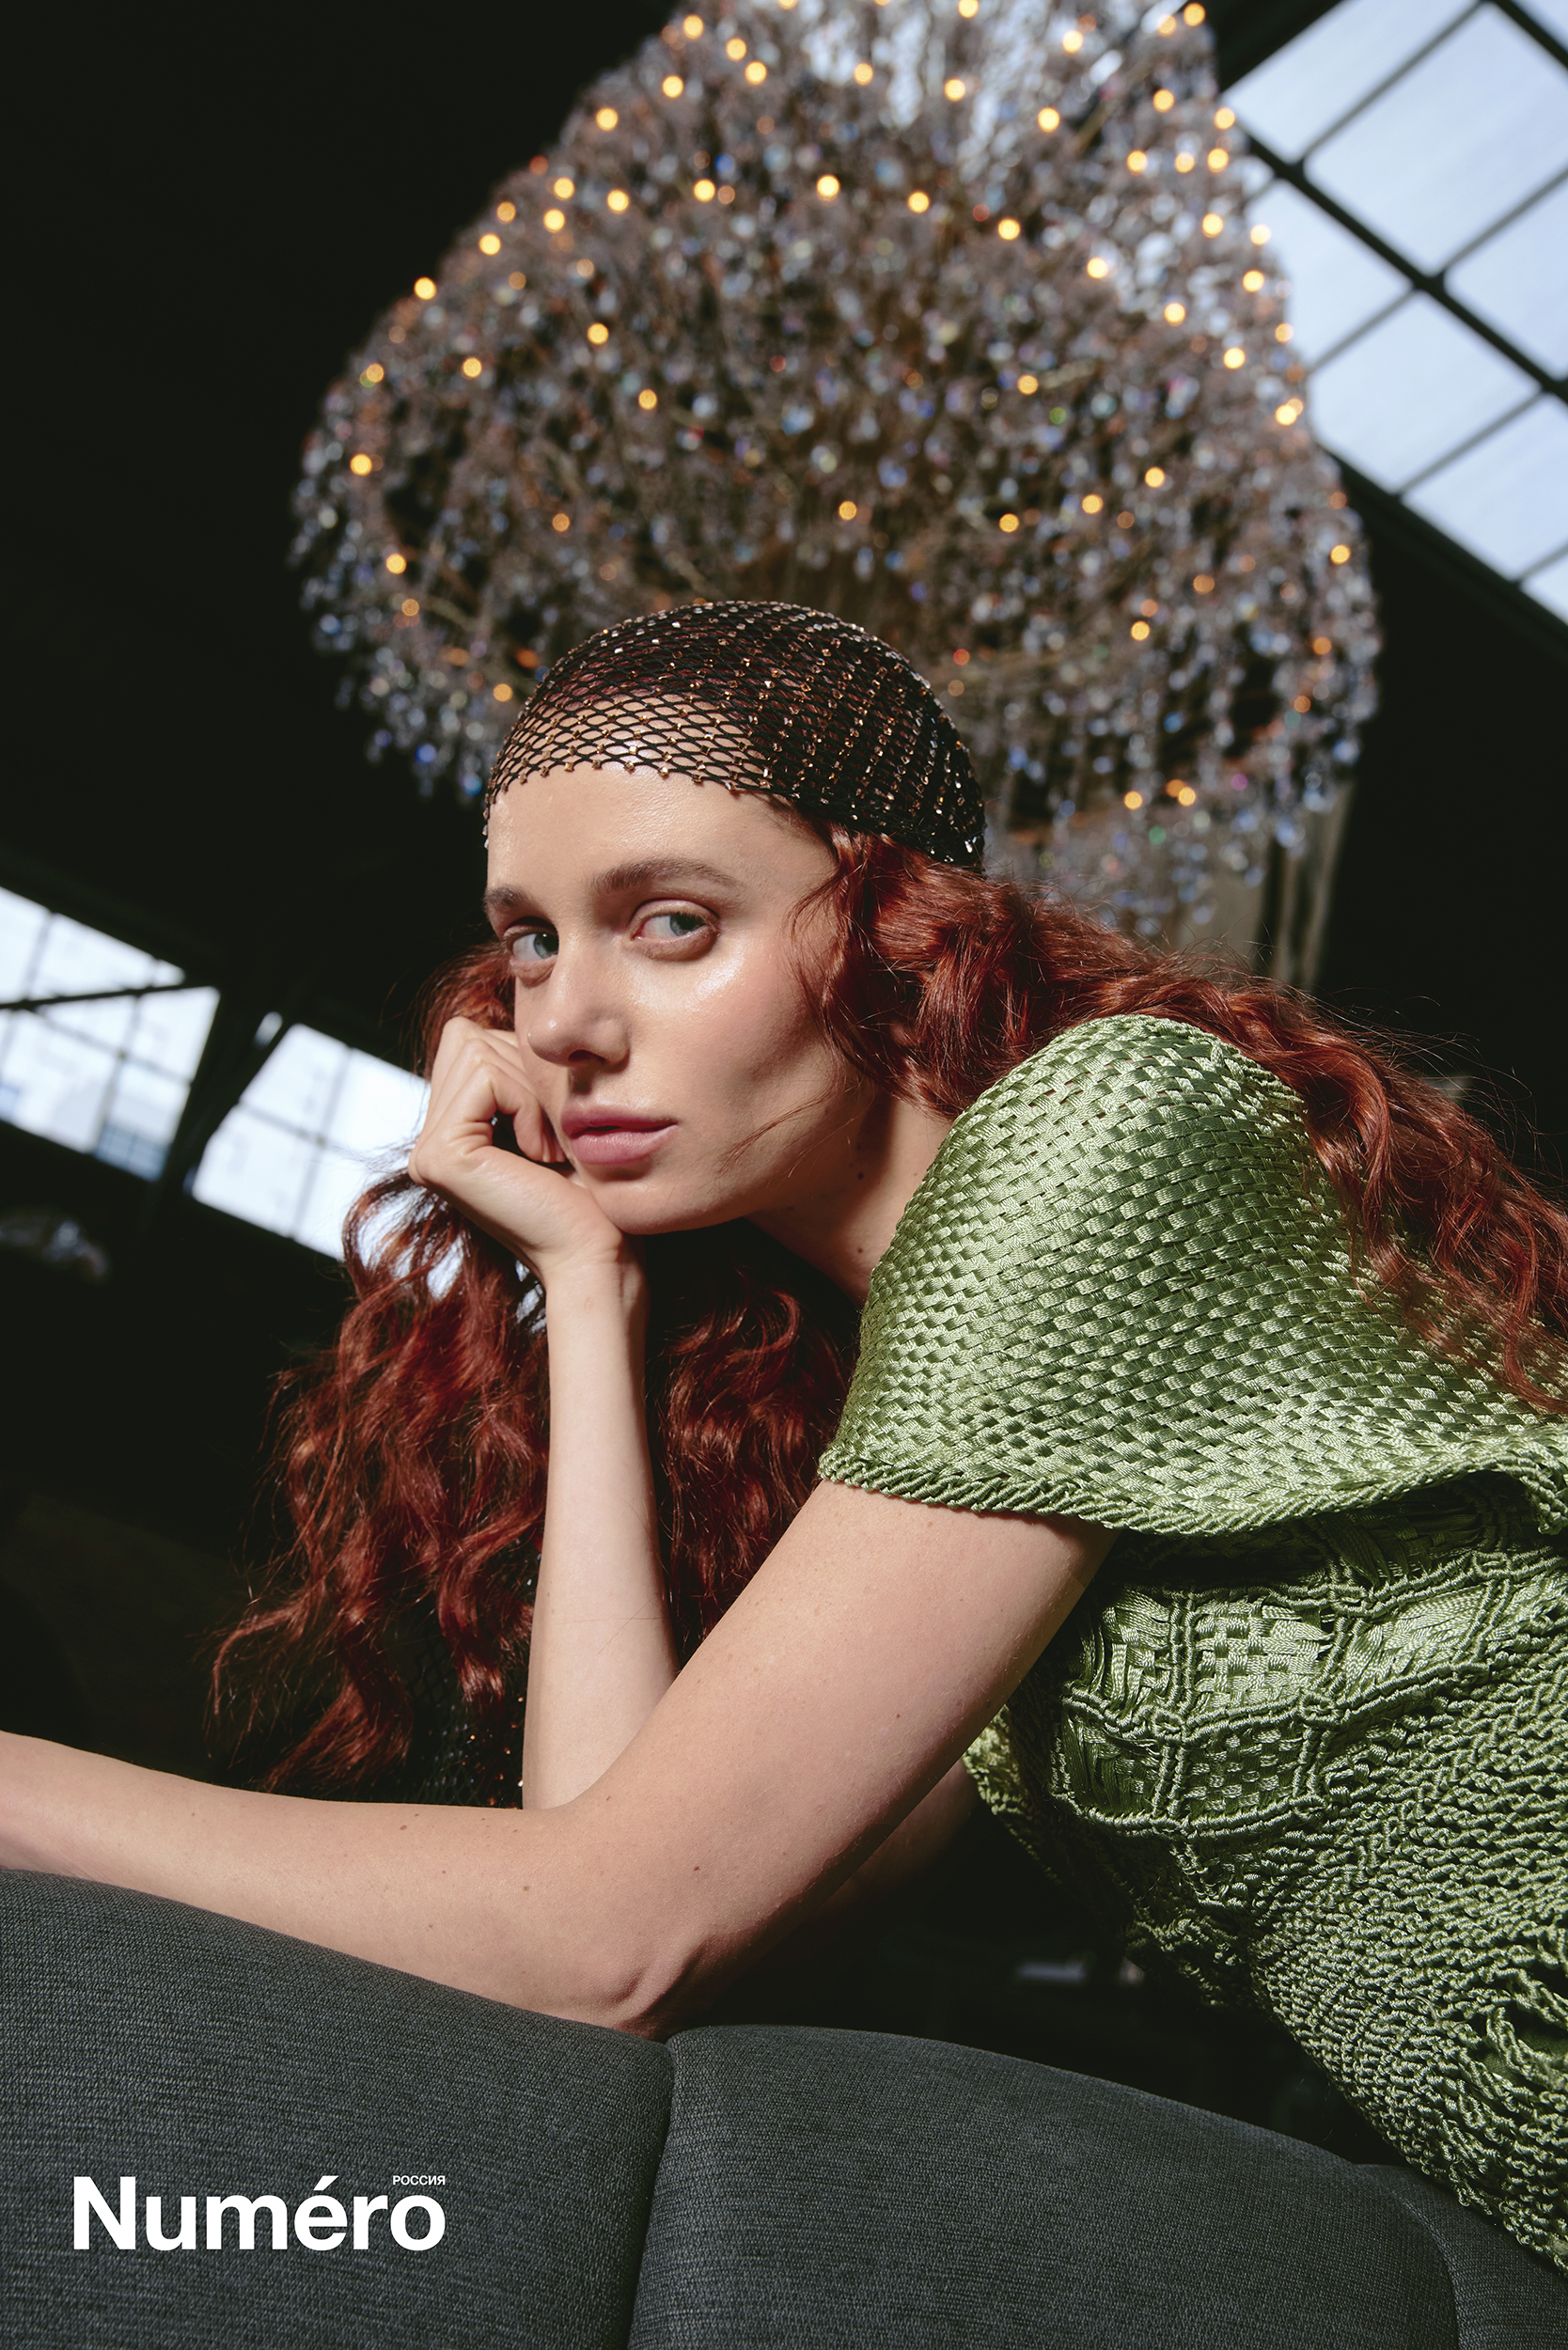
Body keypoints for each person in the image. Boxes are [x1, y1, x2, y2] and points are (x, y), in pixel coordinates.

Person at [2, 602, 1564, 2280]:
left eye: (673, 922)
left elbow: (606, 1934)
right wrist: (589, 1285)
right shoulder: (892, 1414)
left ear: (894, 932)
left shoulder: (1105, 1133)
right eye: (531, 940)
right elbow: (619, 1880)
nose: (564, 1021)